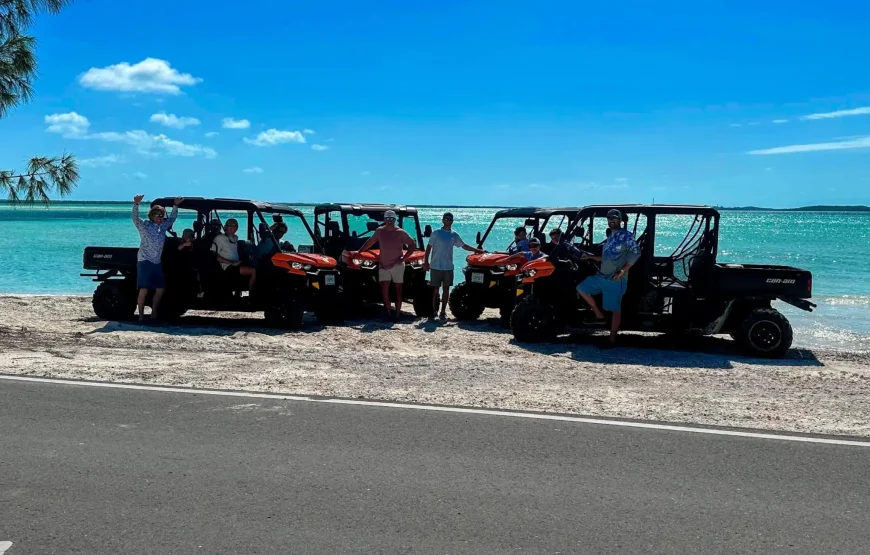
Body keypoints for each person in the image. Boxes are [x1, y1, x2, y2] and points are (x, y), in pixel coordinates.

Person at [576, 209, 640, 346]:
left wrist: (622, 271)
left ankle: (612, 339)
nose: (611, 220)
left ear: (620, 220)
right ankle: (598, 314)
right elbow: (606, 257)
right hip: (602, 276)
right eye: (609, 218)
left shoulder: (626, 236)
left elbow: (635, 253)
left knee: (615, 309)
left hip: (615, 279)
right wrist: (591, 257)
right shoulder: (610, 236)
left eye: (614, 218)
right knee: (582, 288)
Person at [355, 209, 416, 321]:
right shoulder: (380, 231)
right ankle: (388, 314)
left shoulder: (400, 232)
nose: (389, 221)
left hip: (397, 265)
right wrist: (359, 251)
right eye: (387, 219)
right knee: (384, 290)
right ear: (384, 220)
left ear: (394, 220)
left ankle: (397, 315)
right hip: (383, 265)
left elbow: (412, 244)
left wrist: (404, 258)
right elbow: (370, 242)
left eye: (391, 219)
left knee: (398, 290)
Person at [423, 212, 484, 320]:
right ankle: (433, 311)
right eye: (446, 219)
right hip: (436, 266)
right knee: (435, 289)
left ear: (452, 221)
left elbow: (464, 246)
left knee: (446, 289)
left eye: (450, 219)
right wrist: (426, 262)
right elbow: (428, 248)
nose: (448, 221)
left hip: (448, 267)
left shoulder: (454, 235)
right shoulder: (436, 233)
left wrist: (477, 250)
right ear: (443, 220)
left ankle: (443, 312)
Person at [131, 194, 182, 321]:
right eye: (157, 215)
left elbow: (172, 219)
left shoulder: (163, 226)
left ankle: (154, 313)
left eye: (161, 216)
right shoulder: (145, 225)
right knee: (144, 289)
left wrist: (175, 206)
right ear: (152, 216)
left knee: (160, 288)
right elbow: (135, 218)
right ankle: (141, 316)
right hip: (145, 260)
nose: (160, 218)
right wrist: (136, 204)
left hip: (156, 261)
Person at [211, 218, 257, 291]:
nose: (233, 228)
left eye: (235, 226)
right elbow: (214, 256)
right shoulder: (219, 238)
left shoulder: (235, 238)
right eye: (230, 226)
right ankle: (251, 294)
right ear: (226, 227)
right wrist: (231, 263)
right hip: (227, 267)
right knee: (254, 271)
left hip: (236, 263)